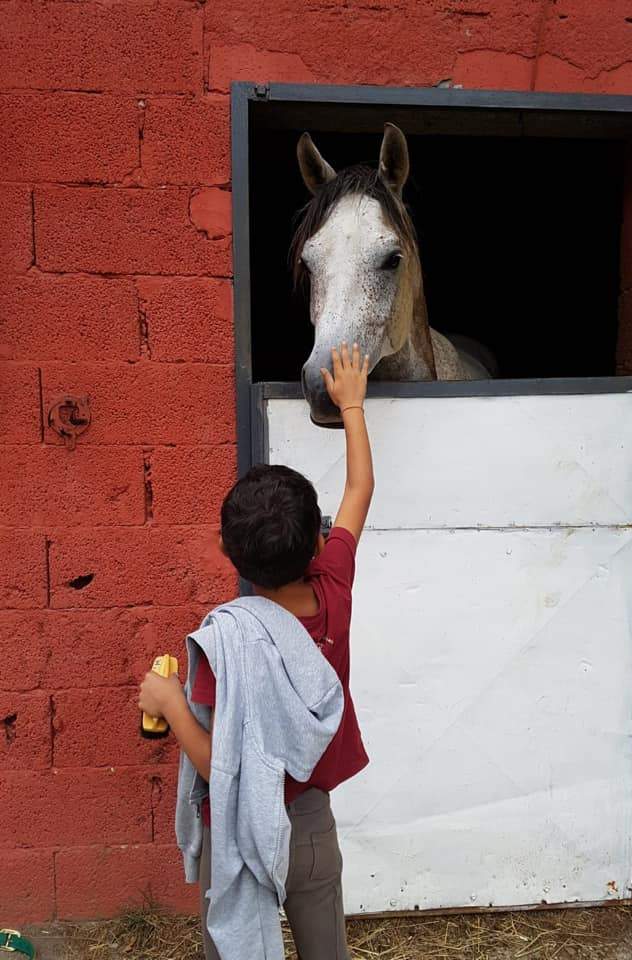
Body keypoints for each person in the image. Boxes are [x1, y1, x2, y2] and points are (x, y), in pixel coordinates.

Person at [138, 342, 374, 960]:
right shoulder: (334, 591)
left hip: (240, 829)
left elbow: (229, 766)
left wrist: (170, 701)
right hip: (311, 826)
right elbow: (360, 488)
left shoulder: (228, 641)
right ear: (315, 539)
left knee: (237, 944)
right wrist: (352, 406)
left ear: (226, 551)